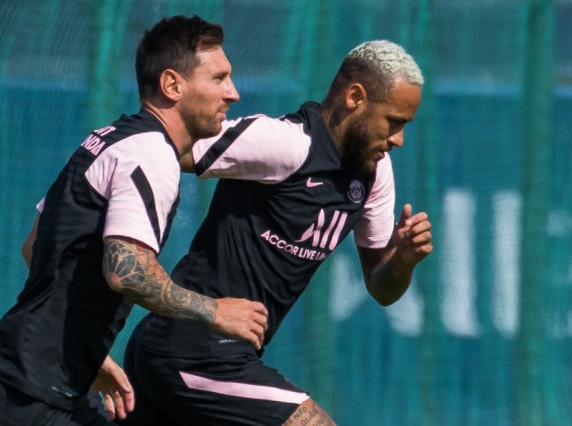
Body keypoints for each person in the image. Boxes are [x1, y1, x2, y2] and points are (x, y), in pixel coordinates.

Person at [0, 15, 269, 426]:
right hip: (14, 393)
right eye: (219, 78)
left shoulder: (113, 138)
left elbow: (34, 246)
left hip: (52, 387)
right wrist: (215, 312)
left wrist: (90, 353)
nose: (233, 93)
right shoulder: (151, 154)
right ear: (172, 85)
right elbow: (126, 271)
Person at [120, 40, 433, 425]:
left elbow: (382, 288)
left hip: (211, 356)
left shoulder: (374, 173)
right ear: (355, 97)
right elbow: (169, 145)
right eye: (393, 122)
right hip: (193, 350)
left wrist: (402, 261)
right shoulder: (284, 143)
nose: (399, 139)